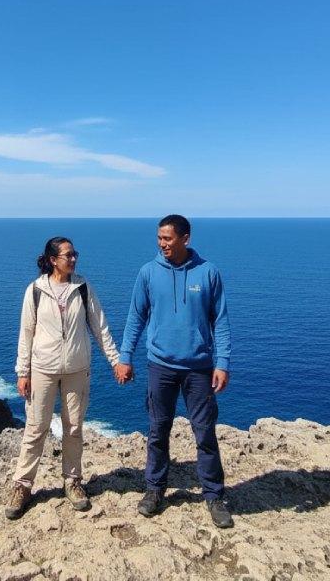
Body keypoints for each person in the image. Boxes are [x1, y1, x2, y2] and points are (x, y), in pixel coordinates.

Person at [115, 214, 234, 528]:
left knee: (205, 433)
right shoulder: (148, 273)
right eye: (159, 238)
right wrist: (125, 356)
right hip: (160, 366)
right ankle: (154, 490)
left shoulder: (208, 273)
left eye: (167, 238)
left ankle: (214, 495)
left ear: (185, 238)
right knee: (157, 431)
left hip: (199, 368)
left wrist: (222, 363)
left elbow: (220, 321)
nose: (162, 244)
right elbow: (135, 317)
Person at [5, 236, 125, 520]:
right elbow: (26, 334)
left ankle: (73, 481)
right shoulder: (35, 291)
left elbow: (100, 327)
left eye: (75, 255)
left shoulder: (82, 288)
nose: (73, 259)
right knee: (36, 428)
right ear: (52, 260)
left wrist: (116, 360)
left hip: (76, 369)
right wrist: (23, 372)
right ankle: (22, 486)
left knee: (73, 428)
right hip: (43, 370)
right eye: (68, 255)